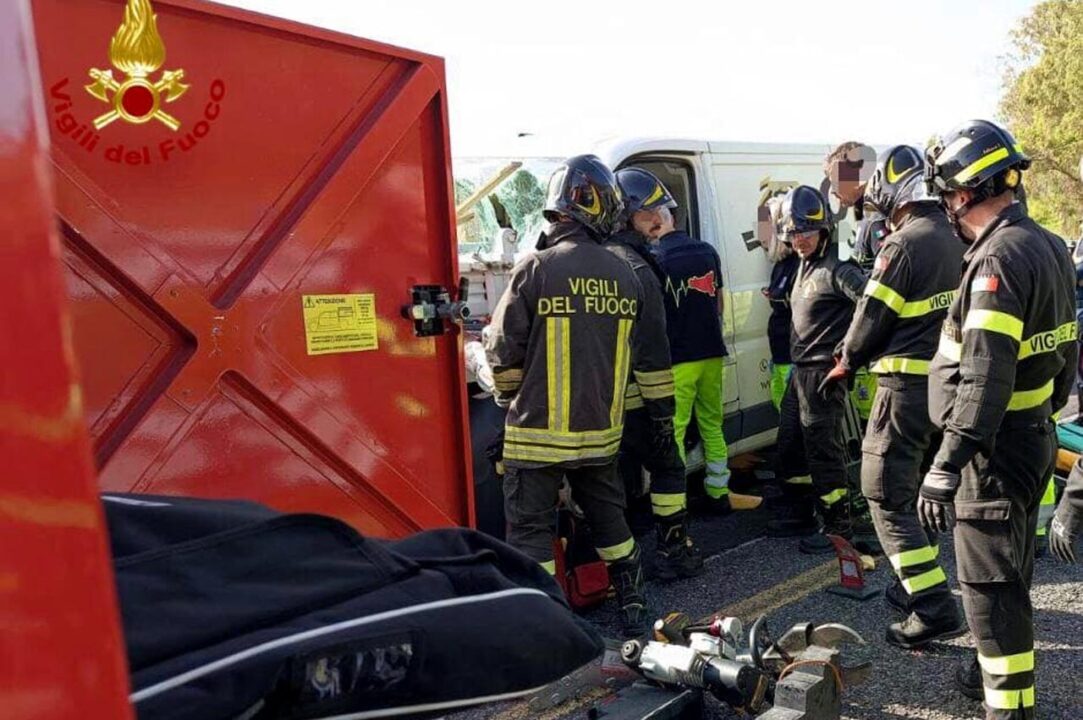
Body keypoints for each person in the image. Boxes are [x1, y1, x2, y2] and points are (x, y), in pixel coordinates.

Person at [919, 120, 1077, 718]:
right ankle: (995, 675)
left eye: (949, 197)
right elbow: (1066, 350)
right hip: (1027, 434)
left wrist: (948, 460)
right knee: (1010, 571)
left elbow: (984, 374)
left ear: (963, 193)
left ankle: (1009, 708)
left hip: (991, 453)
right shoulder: (1045, 244)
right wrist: (1043, 411)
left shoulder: (997, 261)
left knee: (989, 588)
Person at [485, 154, 666, 637]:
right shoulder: (626, 274)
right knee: (611, 518)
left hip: (537, 437)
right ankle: (633, 601)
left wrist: (509, 403)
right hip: (599, 436)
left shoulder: (535, 269)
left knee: (530, 533)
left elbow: (502, 352)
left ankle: (545, 626)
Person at [828, 145, 965, 648]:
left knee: (885, 493)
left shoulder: (901, 245)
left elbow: (871, 316)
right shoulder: (956, 234)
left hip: (904, 390)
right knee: (919, 491)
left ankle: (932, 606)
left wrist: (846, 360)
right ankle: (914, 584)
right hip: (947, 392)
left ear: (888, 189)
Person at [609, 167, 703, 580]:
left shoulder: (595, 261)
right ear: (625, 213)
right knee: (668, 467)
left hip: (599, 404)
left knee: (612, 484)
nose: (659, 218)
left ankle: (621, 571)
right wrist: (663, 412)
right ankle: (673, 551)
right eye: (649, 212)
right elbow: (651, 346)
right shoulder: (638, 268)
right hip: (637, 400)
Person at [766, 185, 867, 552]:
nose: (799, 240)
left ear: (824, 228)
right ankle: (802, 512)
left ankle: (838, 527)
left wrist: (847, 354)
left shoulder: (839, 267)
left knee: (823, 451)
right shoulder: (803, 266)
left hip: (823, 373)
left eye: (805, 232)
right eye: (792, 234)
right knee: (791, 444)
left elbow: (871, 307)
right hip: (800, 372)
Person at [652, 200, 761, 510]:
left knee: (676, 428)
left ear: (656, 223)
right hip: (711, 352)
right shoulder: (706, 251)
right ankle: (718, 490)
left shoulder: (657, 258)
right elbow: (720, 303)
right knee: (712, 423)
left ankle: (676, 501)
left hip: (679, 359)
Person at [760, 192, 799, 410]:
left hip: (793, 360)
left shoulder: (797, 264)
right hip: (780, 357)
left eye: (764, 227)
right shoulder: (780, 265)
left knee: (793, 423)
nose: (760, 234)